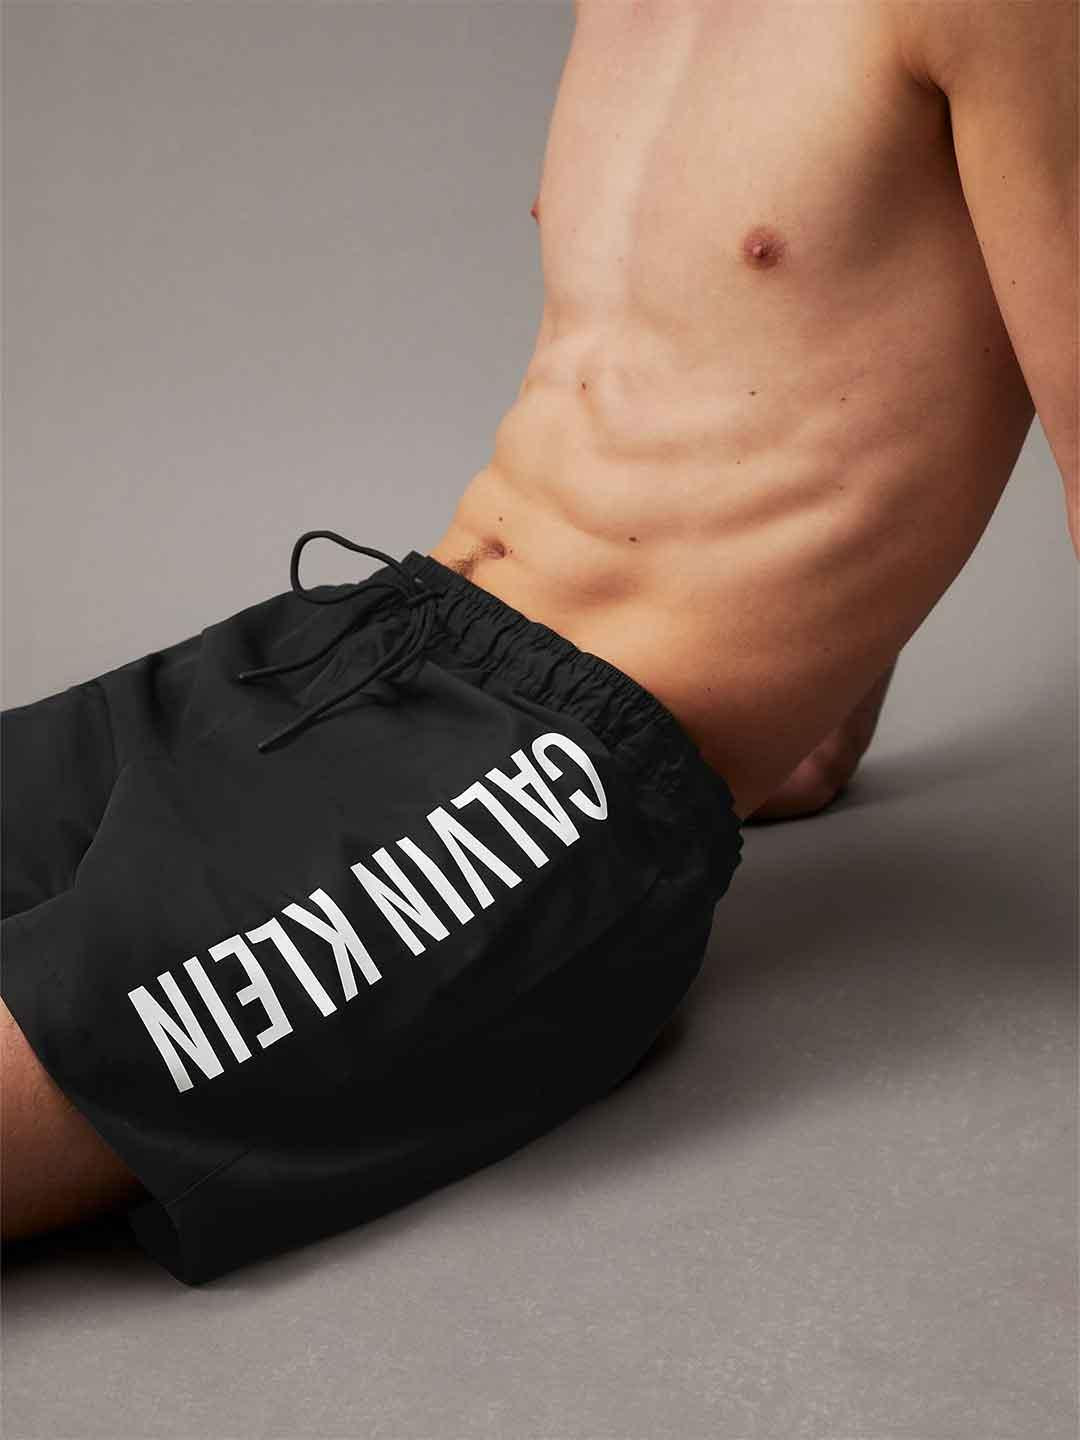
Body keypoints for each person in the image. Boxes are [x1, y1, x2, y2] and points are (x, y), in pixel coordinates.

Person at [2, 0, 1075, 1284]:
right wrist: (820, 702)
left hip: (562, 784)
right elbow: (793, 341)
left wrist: (766, 703)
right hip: (365, 639)